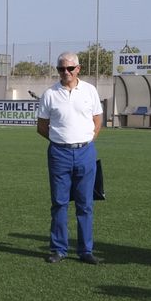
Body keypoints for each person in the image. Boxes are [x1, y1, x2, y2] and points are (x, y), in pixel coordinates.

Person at [36, 53, 103, 265]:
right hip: (59, 154)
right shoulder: (50, 94)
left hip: (85, 152)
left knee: (85, 204)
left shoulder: (90, 91)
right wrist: (60, 140)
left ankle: (85, 250)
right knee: (59, 203)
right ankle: (58, 249)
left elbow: (97, 120)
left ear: (78, 69)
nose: (66, 72)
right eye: (61, 69)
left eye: (70, 68)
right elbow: (42, 126)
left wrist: (84, 141)